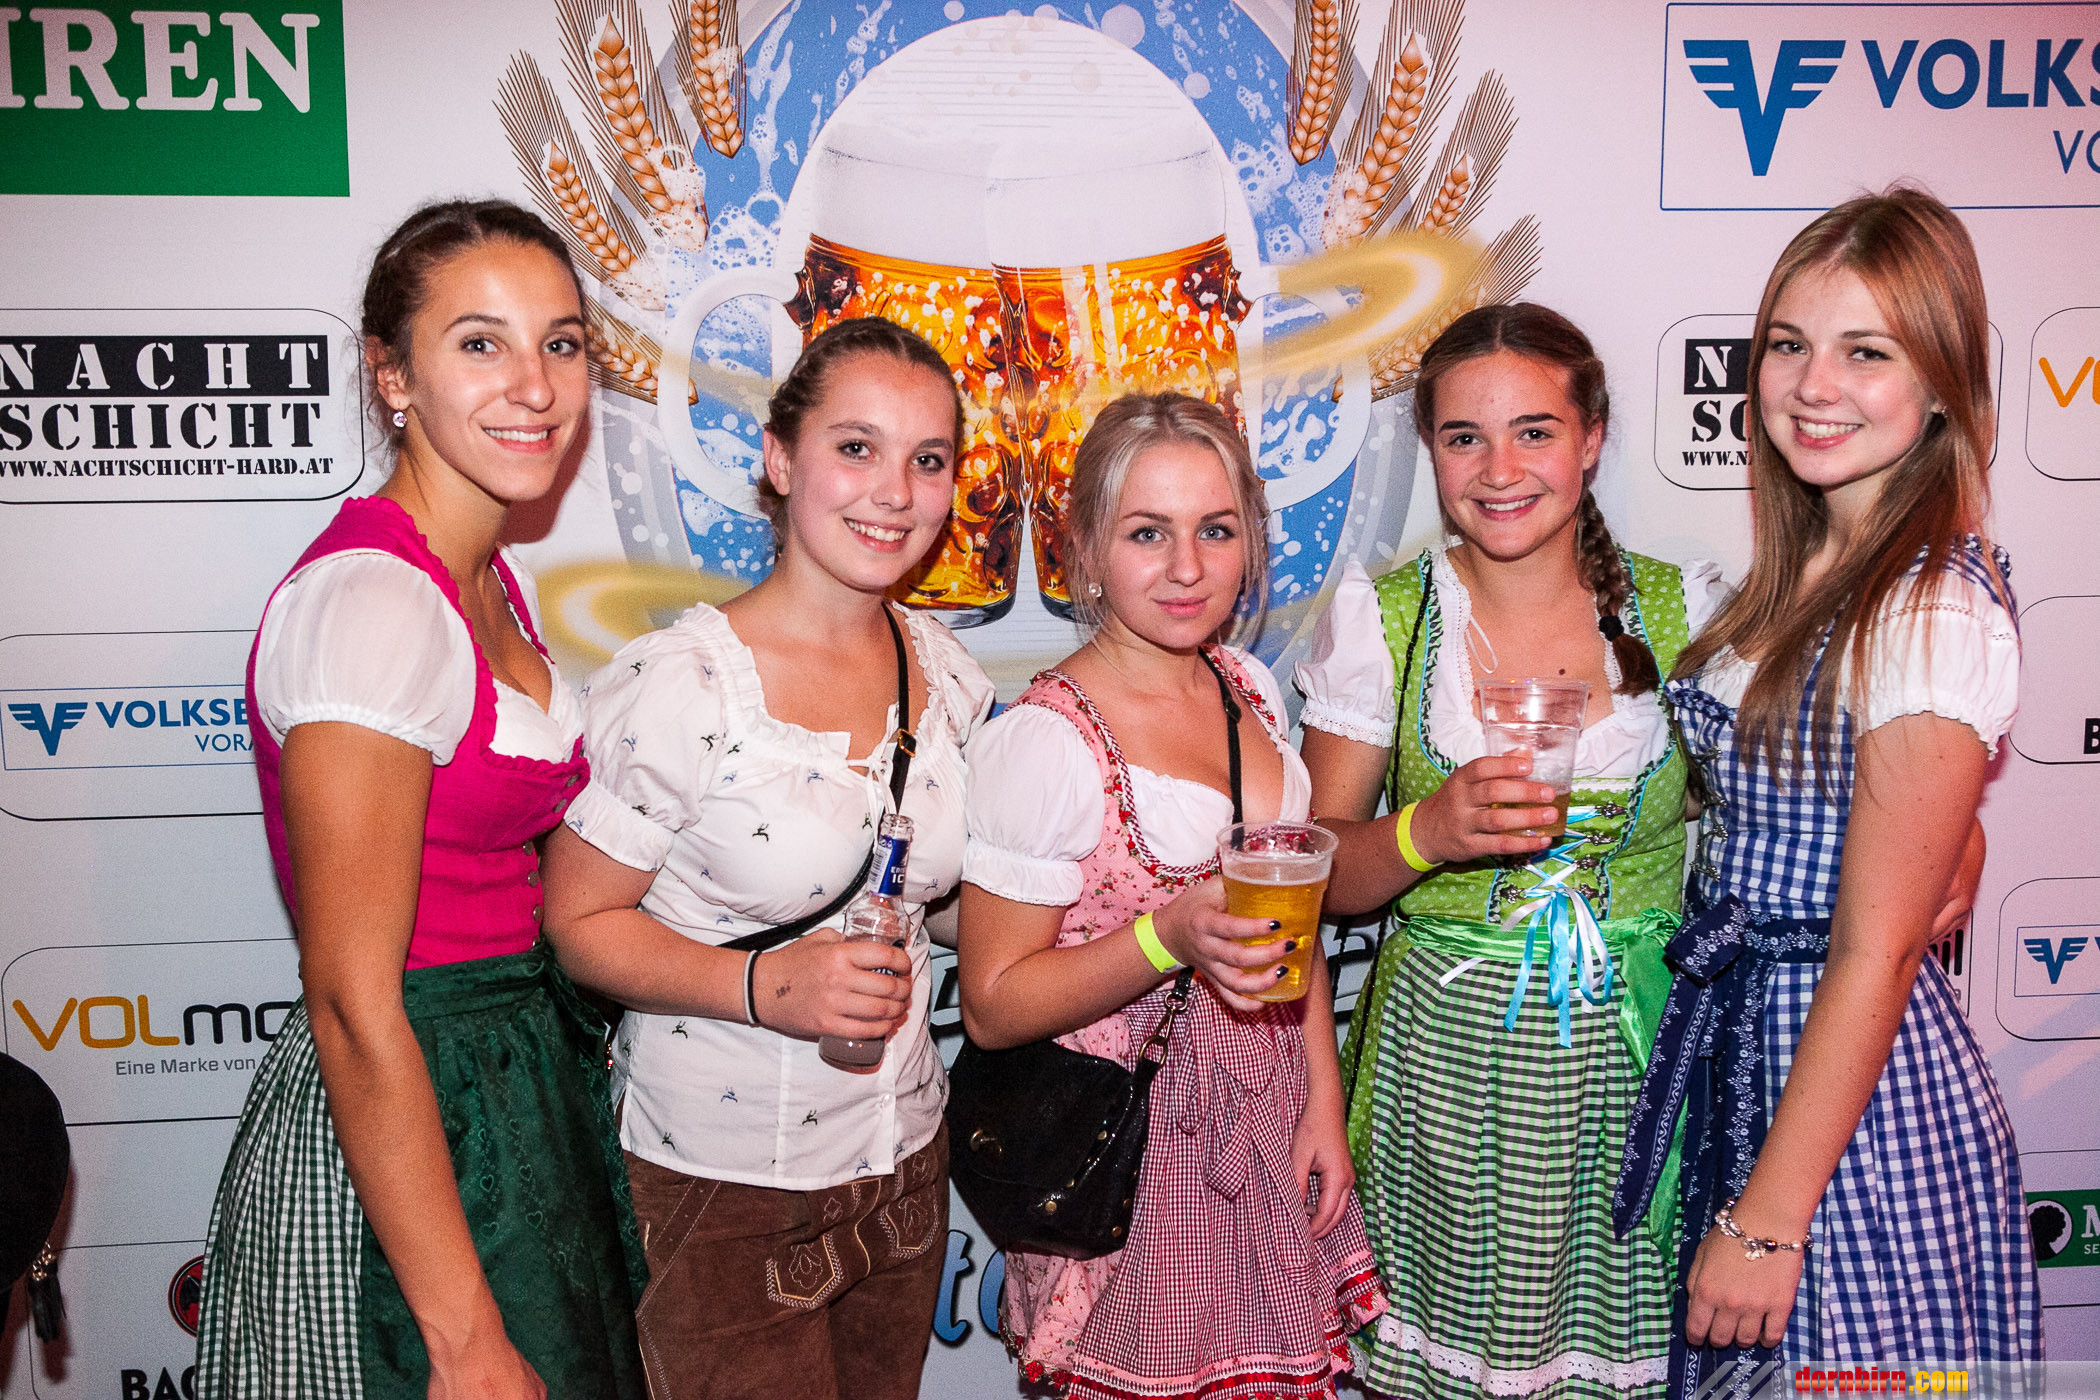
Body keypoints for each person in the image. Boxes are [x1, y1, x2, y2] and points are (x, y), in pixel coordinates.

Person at [196, 199, 646, 1399]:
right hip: (413, 1109)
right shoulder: (373, 602)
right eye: (480, 343)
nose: (536, 386)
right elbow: (353, 1000)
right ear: (392, 375)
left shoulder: (491, 576)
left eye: (561, 343)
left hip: (510, 1087)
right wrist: (462, 1336)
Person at [1612, 187, 2043, 1395]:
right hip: (1758, 1049)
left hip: (1850, 1110)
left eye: (1867, 352)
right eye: (1790, 344)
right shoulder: (1809, 565)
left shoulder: (1929, 604)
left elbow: (1877, 948)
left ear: (1943, 385)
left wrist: (1769, 1219)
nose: (1813, 385)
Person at [540, 316, 994, 1400]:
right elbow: (578, 923)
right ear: (781, 459)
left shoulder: (950, 674)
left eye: (929, 460)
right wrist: (764, 985)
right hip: (720, 1190)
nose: (895, 492)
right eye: (857, 447)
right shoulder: (683, 683)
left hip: (904, 1164)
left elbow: (935, 906)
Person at [1295, 303, 1727, 1400]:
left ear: (1593, 437)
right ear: (1430, 448)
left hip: (1634, 1062)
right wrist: (1424, 832)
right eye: (1463, 437)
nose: (1498, 470)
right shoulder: (1389, 618)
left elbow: (1795, 813)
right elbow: (1313, 875)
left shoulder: (1687, 610)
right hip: (1443, 1073)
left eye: (1535, 431)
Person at [958, 392, 1385, 1400]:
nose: (1188, 567)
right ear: (1086, 553)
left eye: (1216, 530)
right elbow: (993, 1003)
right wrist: (1167, 935)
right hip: (1137, 1147)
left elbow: (1294, 931)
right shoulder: (1048, 741)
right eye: (1148, 533)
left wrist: (1321, 1105)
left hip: (1266, 1116)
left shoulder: (1247, 689)